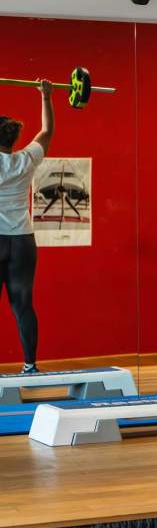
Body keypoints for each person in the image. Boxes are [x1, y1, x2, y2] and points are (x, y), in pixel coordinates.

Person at [0, 81, 54, 373]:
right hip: (22, 240)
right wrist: (46, 97)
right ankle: (30, 366)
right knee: (22, 304)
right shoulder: (25, 160)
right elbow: (47, 132)